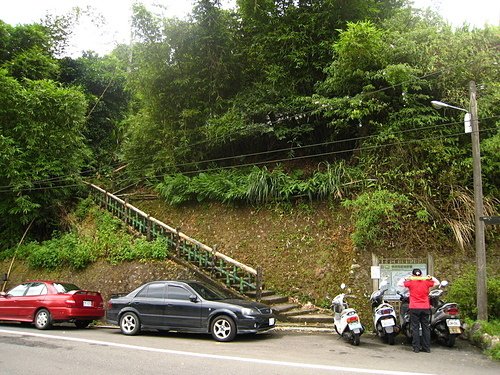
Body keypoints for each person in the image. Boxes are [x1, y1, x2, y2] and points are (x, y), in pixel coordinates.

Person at [397, 268, 439, 353]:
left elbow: (399, 283)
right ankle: (426, 348)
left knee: (415, 328)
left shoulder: (411, 282)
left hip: (414, 307)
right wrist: (431, 277)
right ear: (421, 275)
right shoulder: (426, 282)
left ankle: (416, 348)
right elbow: (437, 283)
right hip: (425, 307)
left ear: (413, 275)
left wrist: (406, 278)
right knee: (426, 328)